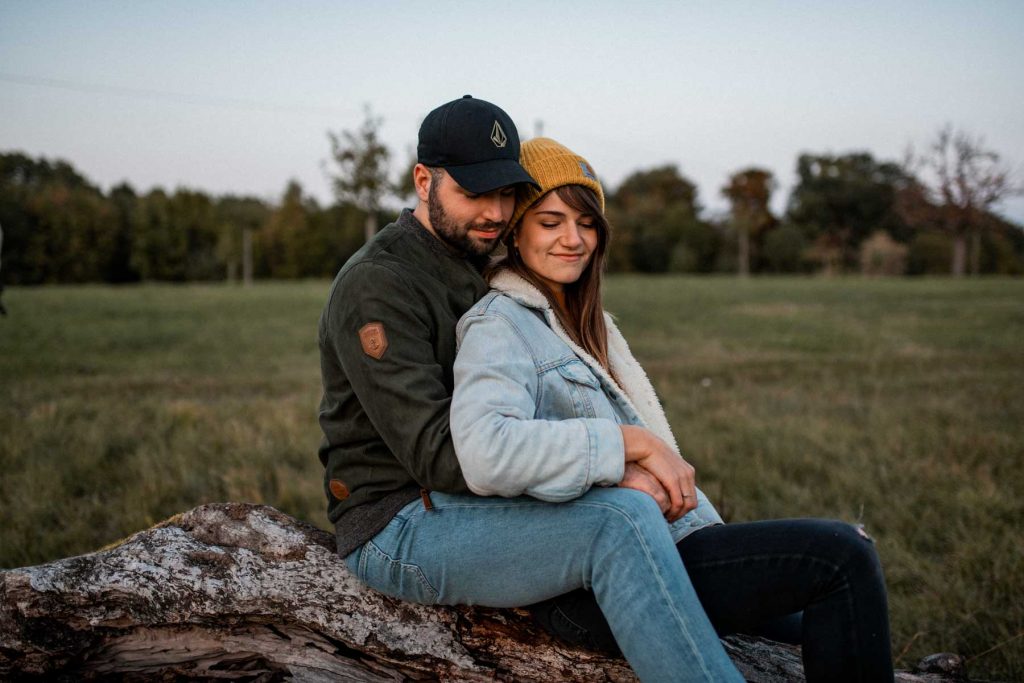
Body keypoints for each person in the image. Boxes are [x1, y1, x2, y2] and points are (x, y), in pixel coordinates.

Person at [448, 138, 895, 682]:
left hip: (669, 544)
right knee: (839, 557)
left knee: (823, 612)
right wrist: (625, 449)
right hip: (600, 581)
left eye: (586, 223)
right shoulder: (500, 324)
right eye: (550, 221)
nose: (573, 239)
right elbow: (486, 449)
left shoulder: (590, 324)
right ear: (515, 232)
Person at [317, 94, 538, 562]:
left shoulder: (482, 261)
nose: (496, 213)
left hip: (476, 488)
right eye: (474, 193)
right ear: (423, 181)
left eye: (505, 193)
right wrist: (587, 462)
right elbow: (436, 453)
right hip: (395, 515)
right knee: (612, 524)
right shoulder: (378, 283)